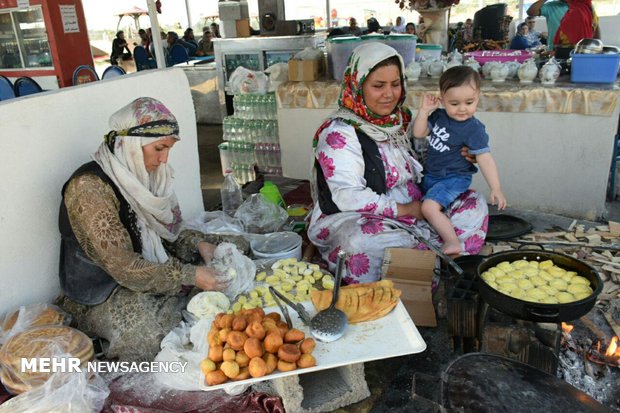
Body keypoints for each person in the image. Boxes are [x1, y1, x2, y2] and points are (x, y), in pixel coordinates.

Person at [56, 97, 248, 361]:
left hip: (147, 262)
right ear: (132, 145)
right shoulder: (89, 189)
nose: (163, 159)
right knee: (155, 332)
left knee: (232, 247)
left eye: (168, 149)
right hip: (103, 288)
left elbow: (162, 232)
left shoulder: (140, 174)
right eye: (159, 148)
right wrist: (191, 275)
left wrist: (197, 245)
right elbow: (123, 267)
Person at [307, 43, 489, 284]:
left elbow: (424, 160)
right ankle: (430, 267)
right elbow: (348, 196)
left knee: (474, 204)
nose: (389, 94)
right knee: (361, 243)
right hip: (358, 215)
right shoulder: (340, 133)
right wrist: (405, 210)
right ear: (357, 85)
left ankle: (426, 265)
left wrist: (459, 154)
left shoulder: (400, 120)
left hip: (417, 203)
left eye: (395, 84)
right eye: (378, 86)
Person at [412, 66, 506, 256]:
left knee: (429, 207)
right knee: (421, 207)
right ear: (443, 98)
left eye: (469, 102)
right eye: (454, 103)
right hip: (432, 175)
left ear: (478, 97)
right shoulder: (439, 116)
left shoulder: (474, 129)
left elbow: (485, 158)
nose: (462, 109)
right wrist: (424, 111)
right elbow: (419, 133)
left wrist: (495, 188)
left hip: (454, 177)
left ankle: (452, 242)